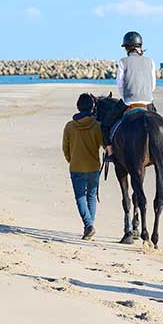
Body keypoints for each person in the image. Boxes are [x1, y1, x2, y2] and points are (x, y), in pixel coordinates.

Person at [103, 31, 158, 157]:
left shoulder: (123, 61)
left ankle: (110, 152)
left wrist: (126, 98)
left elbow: (120, 85)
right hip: (148, 101)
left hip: (128, 101)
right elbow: (153, 85)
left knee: (106, 125)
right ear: (140, 46)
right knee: (157, 123)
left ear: (127, 47)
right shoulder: (150, 61)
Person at [63, 93, 104, 240]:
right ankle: (89, 226)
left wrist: (71, 159)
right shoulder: (97, 126)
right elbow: (104, 145)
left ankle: (89, 225)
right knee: (91, 196)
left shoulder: (69, 126)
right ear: (92, 107)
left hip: (76, 166)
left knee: (80, 197)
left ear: (78, 107)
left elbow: (65, 147)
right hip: (93, 166)